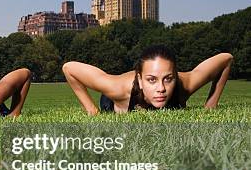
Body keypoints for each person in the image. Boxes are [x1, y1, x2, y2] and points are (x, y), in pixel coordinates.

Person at [62, 44, 234, 115]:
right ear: (140, 79)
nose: (161, 88)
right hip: (118, 97)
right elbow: (69, 68)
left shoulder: (184, 84)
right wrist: (92, 111)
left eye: (168, 79)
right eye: (152, 80)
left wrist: (211, 104)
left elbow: (226, 59)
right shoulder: (117, 88)